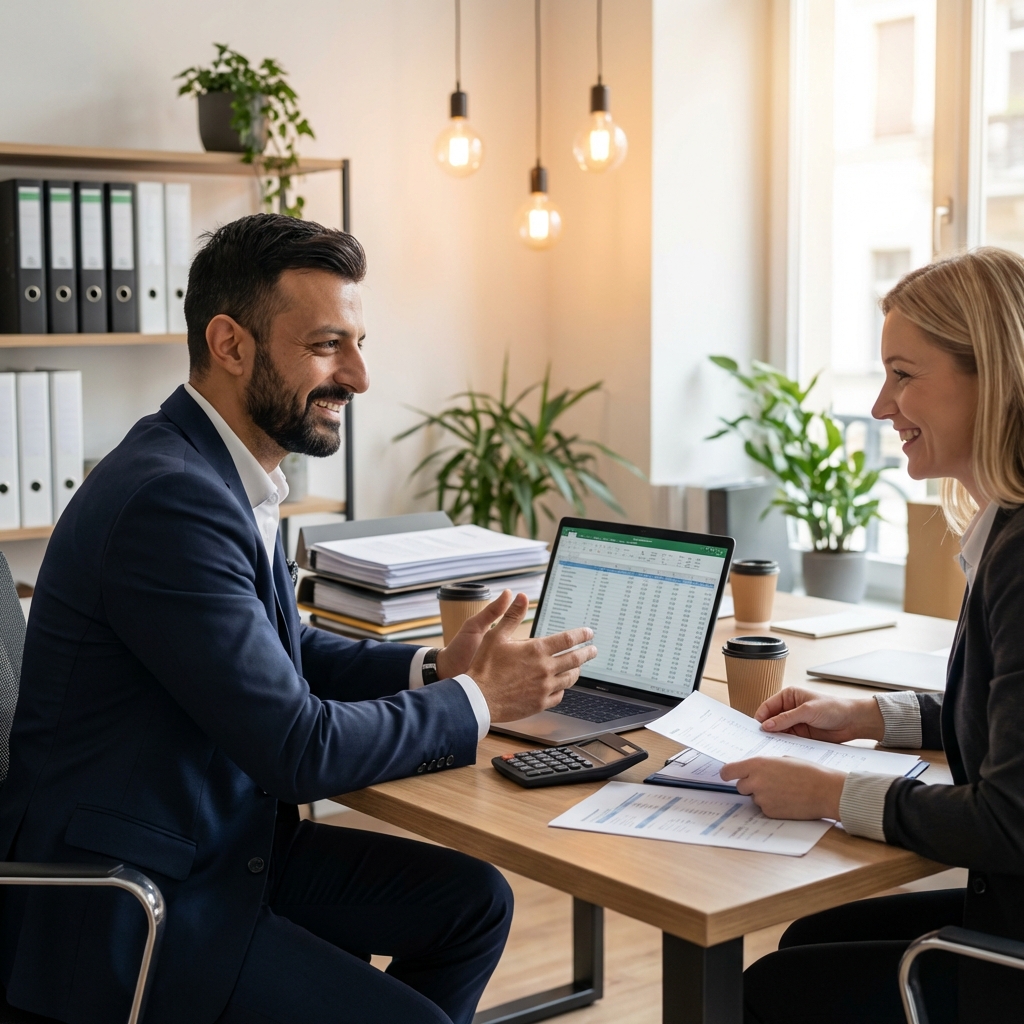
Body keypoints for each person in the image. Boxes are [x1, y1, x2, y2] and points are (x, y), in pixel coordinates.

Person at [0, 213, 598, 1024]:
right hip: (136, 896)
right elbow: (298, 748)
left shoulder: (216, 469)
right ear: (230, 344)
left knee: (474, 903)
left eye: (358, 342)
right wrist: (480, 702)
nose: (357, 376)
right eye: (326, 345)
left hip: (214, 842)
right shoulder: (168, 498)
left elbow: (281, 650)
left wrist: (435, 670)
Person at [724, 247, 1024, 1024]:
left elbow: (1008, 821)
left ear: (992, 376)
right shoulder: (1004, 531)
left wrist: (827, 792)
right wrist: (865, 718)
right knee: (805, 943)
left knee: (771, 992)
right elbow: (1003, 716)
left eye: (904, 373)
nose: (881, 406)